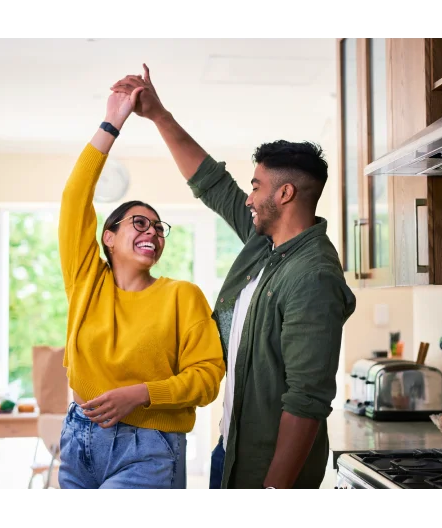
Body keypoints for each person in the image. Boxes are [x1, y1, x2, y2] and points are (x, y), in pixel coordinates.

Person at [111, 65, 357, 493]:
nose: (248, 197)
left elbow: (307, 401)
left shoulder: (312, 277)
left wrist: (273, 492)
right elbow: (212, 183)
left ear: (284, 195)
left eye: (257, 186)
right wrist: (157, 114)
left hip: (268, 472)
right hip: (233, 450)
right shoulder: (266, 244)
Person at [56, 83, 226, 491]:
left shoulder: (181, 296)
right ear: (108, 238)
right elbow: (74, 198)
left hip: (149, 448)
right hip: (78, 438)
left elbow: (207, 377)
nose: (152, 231)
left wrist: (141, 394)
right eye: (139, 222)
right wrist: (112, 122)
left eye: (158, 226)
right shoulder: (86, 283)